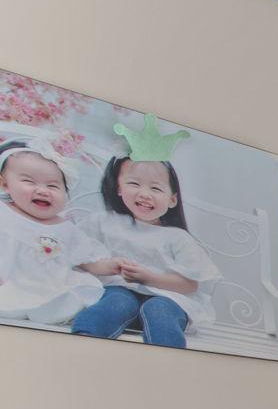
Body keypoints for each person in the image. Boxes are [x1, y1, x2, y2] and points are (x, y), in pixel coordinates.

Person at [71, 116, 218, 349]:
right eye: (134, 184)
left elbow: (190, 285)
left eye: (156, 188)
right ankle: (82, 341)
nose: (145, 194)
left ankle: (169, 359)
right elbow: (77, 256)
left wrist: (149, 278)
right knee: (116, 300)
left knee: (158, 308)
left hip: (168, 297)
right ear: (118, 188)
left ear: (172, 199)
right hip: (118, 290)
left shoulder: (177, 238)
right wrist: (103, 266)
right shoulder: (103, 223)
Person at [0, 140, 124, 326]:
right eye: (29, 181)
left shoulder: (66, 228)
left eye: (53, 186)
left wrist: (111, 265)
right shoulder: (3, 213)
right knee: (9, 297)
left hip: (53, 287)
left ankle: (53, 310)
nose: (42, 191)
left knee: (76, 291)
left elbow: (89, 260)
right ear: (4, 184)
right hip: (9, 283)